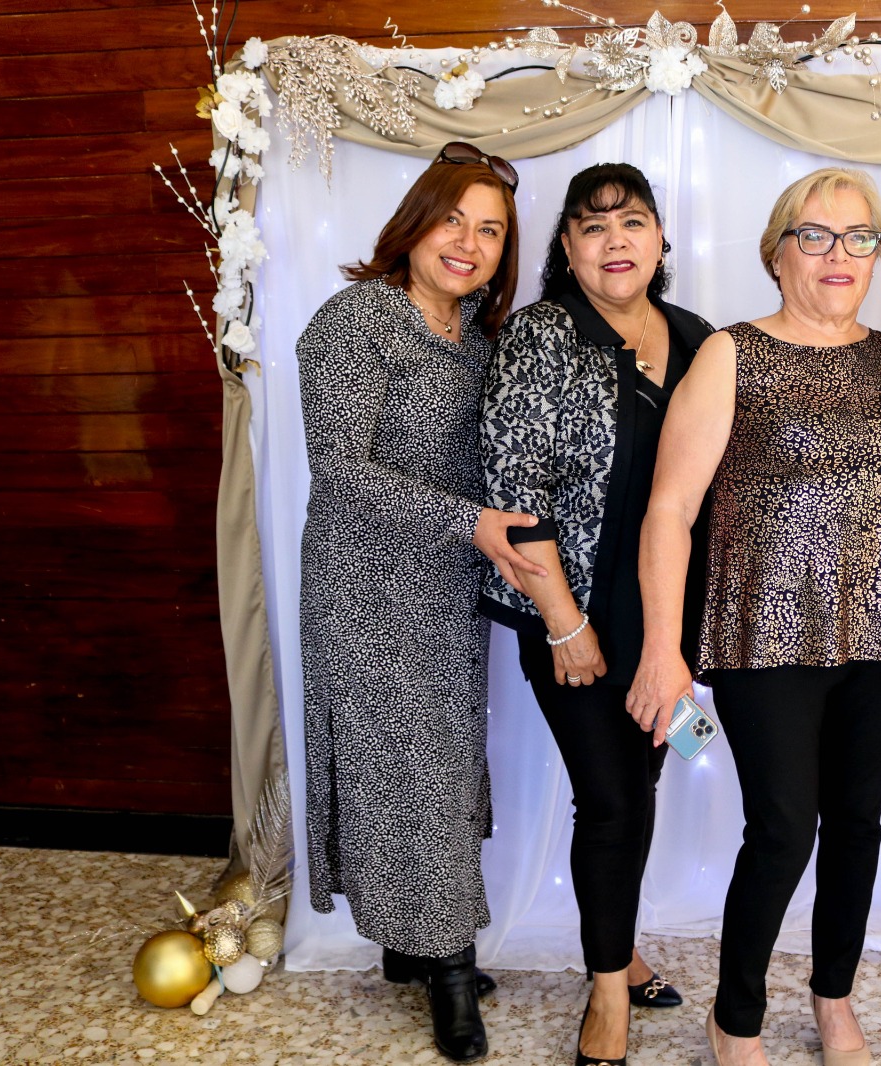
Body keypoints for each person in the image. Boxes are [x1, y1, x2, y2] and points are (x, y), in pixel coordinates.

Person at [628, 168, 881, 1066]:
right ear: (777, 252)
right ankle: (736, 1017)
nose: (839, 255)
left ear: (877, 255)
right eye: (815, 235)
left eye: (859, 237)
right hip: (762, 634)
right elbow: (669, 510)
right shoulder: (732, 354)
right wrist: (661, 649)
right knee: (782, 830)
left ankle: (834, 999)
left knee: (857, 825)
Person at [298, 143, 545, 1063]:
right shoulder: (357, 320)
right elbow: (339, 470)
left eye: (491, 231)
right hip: (366, 583)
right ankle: (448, 966)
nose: (469, 243)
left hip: (446, 583)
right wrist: (472, 522)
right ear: (414, 224)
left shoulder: (477, 338)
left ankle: (414, 941)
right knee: (404, 768)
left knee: (436, 767)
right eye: (453, 221)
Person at [480, 163, 712, 1066]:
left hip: (664, 619)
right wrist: (564, 624)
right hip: (571, 613)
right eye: (593, 225)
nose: (616, 240)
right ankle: (608, 992)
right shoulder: (543, 335)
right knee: (610, 800)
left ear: (661, 239)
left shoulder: (696, 339)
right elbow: (515, 490)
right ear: (569, 249)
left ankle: (620, 947)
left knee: (643, 784)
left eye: (633, 221)